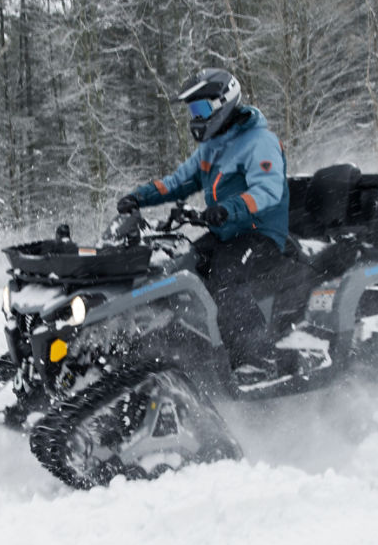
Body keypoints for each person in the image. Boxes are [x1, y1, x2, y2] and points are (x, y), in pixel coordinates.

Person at [117, 68, 290, 373]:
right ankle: (192, 349)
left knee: (225, 279)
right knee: (179, 270)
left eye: (200, 109)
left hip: (259, 233)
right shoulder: (212, 147)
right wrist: (138, 197)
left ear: (224, 102)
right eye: (192, 110)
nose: (195, 118)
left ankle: (256, 358)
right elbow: (178, 182)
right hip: (225, 234)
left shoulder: (259, 141)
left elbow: (268, 189)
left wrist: (229, 208)